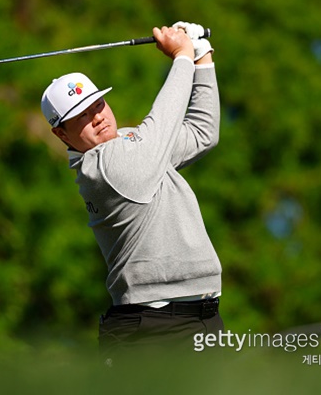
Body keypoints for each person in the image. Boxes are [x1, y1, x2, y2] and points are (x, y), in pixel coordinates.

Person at [41, 22, 223, 366]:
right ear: (62, 134)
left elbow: (202, 133)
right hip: (150, 330)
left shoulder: (131, 144)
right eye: (81, 117)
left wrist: (202, 56)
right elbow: (162, 124)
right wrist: (182, 56)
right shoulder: (103, 168)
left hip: (203, 319)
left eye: (98, 105)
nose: (97, 118)